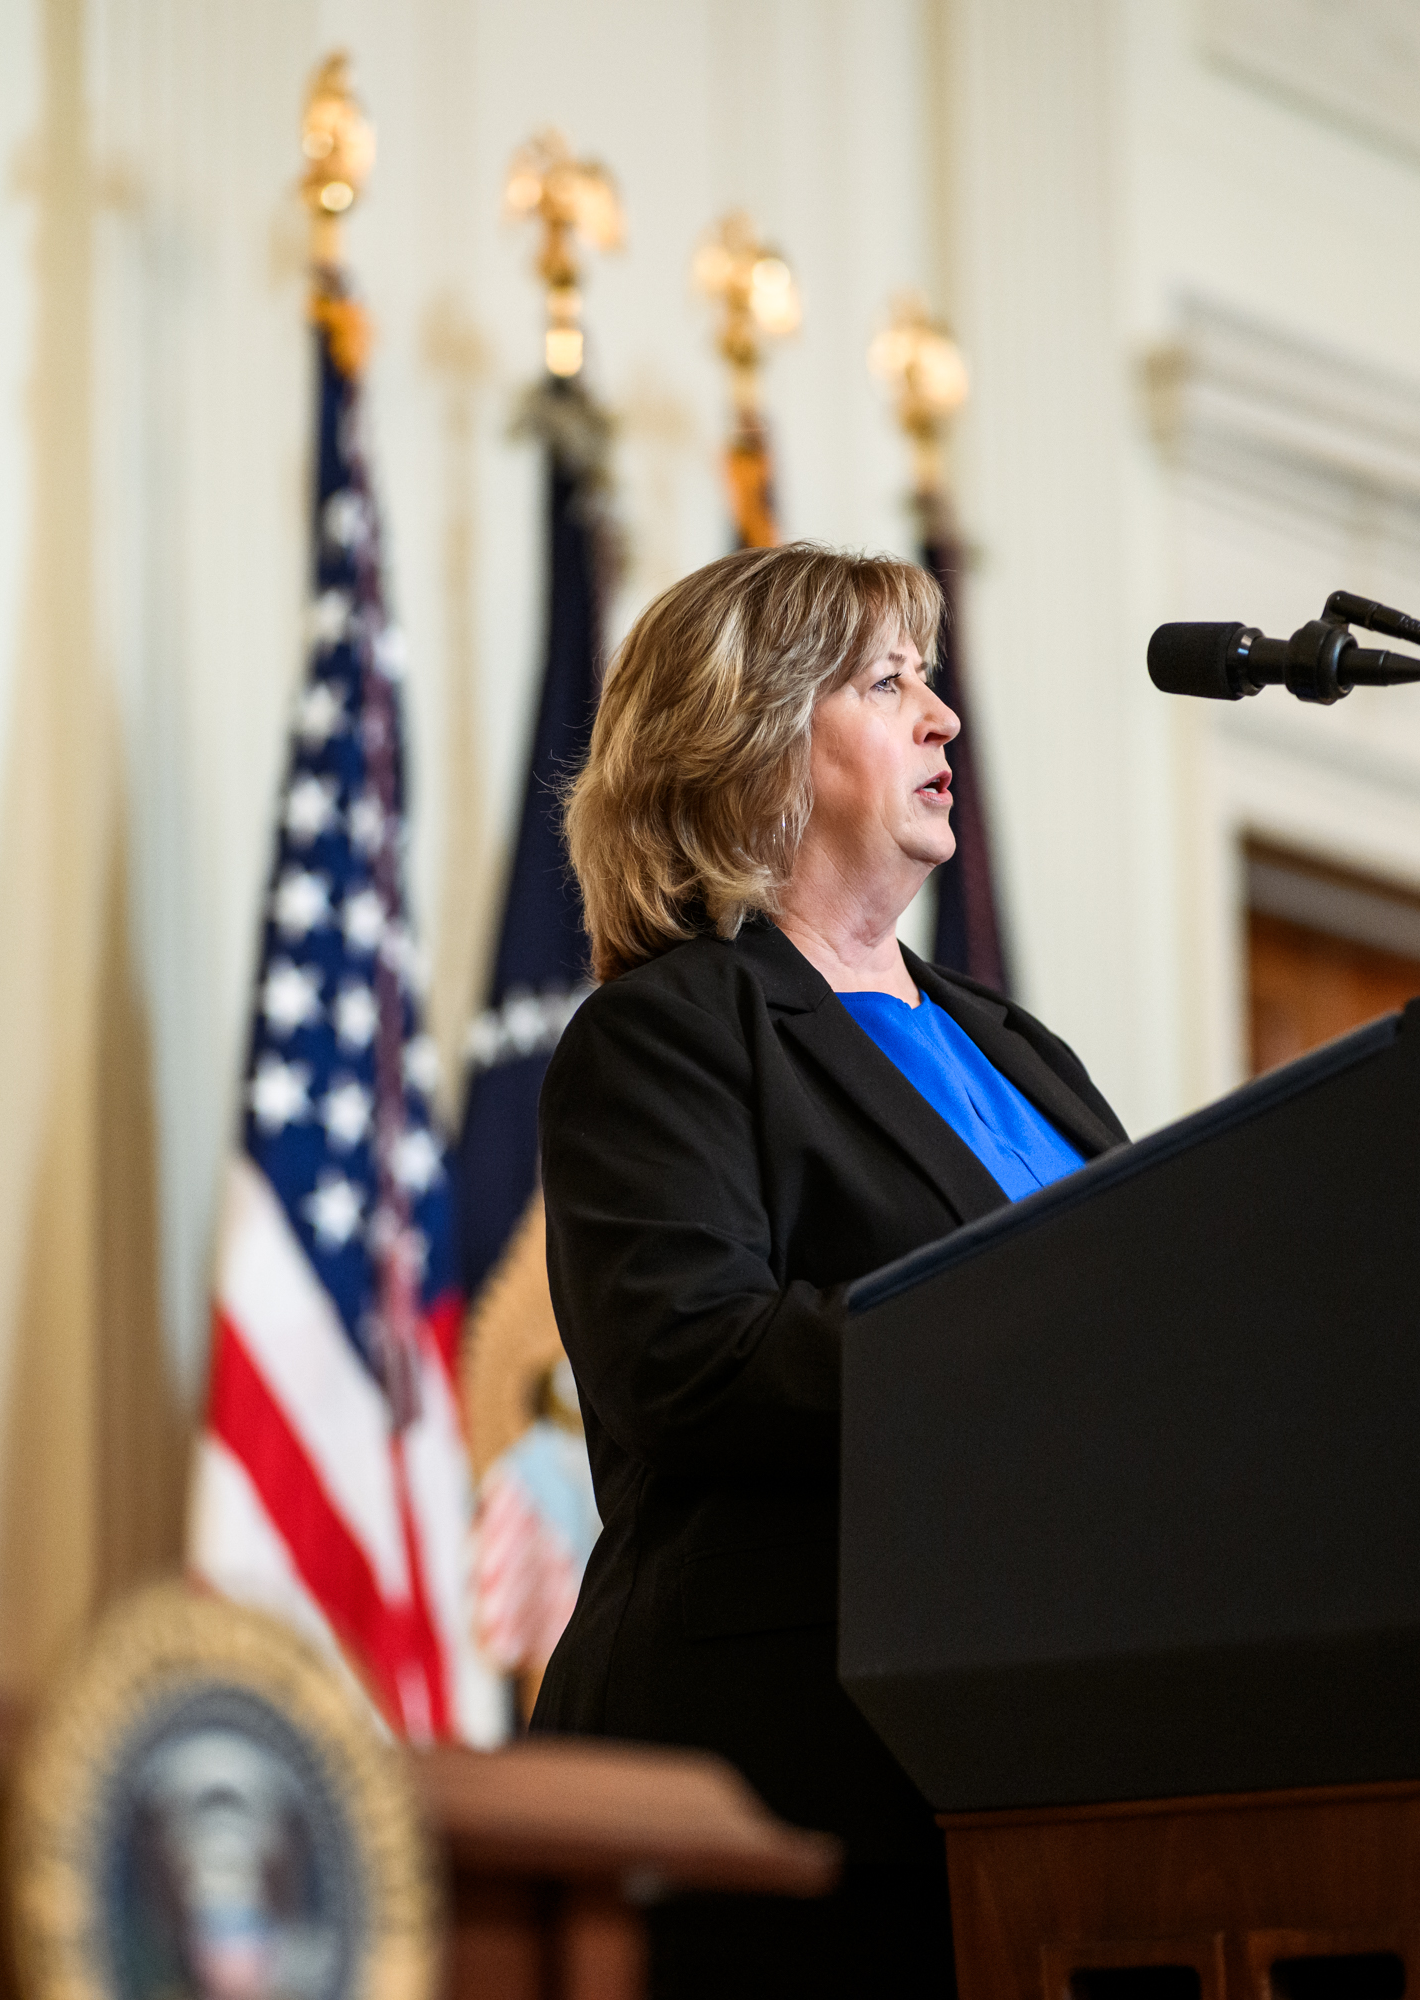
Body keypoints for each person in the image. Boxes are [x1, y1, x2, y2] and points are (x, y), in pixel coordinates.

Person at [532, 542, 1126, 1993]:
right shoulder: (669, 1033)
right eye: (888, 683)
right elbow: (693, 1355)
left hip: (1065, 1763)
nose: (945, 720)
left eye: (931, 681)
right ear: (755, 742)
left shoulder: (1016, 1050)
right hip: (796, 1780)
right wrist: (1030, 1360)